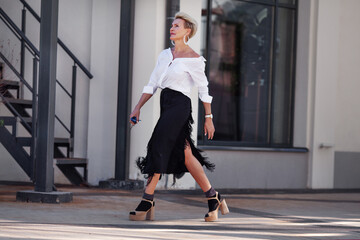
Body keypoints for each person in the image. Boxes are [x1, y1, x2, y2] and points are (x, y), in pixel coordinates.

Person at [128, 12, 229, 222]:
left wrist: (209, 117)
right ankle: (213, 197)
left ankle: (147, 199)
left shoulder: (195, 60)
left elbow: (203, 90)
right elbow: (153, 84)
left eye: (177, 26)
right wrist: (137, 107)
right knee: (186, 155)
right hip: (166, 104)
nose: (172, 28)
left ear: (187, 31)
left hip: (180, 106)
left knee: (158, 144)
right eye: (172, 25)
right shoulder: (165, 55)